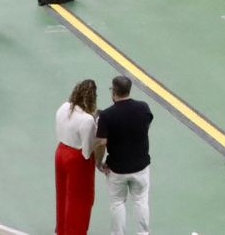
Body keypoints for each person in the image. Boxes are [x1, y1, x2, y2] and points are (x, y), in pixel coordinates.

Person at [96, 75, 153, 235]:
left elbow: (101, 143)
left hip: (117, 169)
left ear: (114, 91)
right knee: (141, 201)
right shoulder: (144, 108)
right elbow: (146, 125)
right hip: (141, 167)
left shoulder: (106, 116)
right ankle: (143, 233)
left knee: (117, 203)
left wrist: (99, 163)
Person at [55, 79, 98, 235]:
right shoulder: (87, 120)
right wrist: (98, 140)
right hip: (77, 160)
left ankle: (61, 229)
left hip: (60, 152)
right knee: (79, 200)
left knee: (63, 195)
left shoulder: (63, 107)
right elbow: (87, 152)